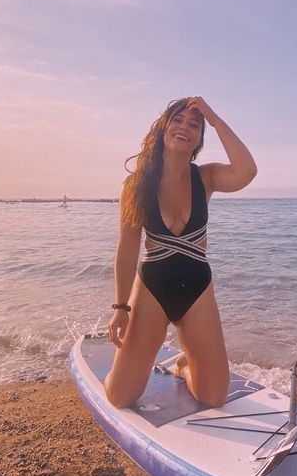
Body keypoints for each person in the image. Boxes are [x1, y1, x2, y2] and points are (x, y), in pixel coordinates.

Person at [105, 97, 257, 409]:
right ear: (163, 127)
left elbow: (247, 170)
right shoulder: (136, 184)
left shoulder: (206, 177)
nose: (185, 128)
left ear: (199, 139)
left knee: (214, 397)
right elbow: (127, 249)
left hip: (197, 290)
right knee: (120, 397)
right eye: (178, 120)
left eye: (194, 125)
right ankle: (128, 364)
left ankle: (184, 366)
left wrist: (213, 117)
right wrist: (121, 307)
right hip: (151, 290)